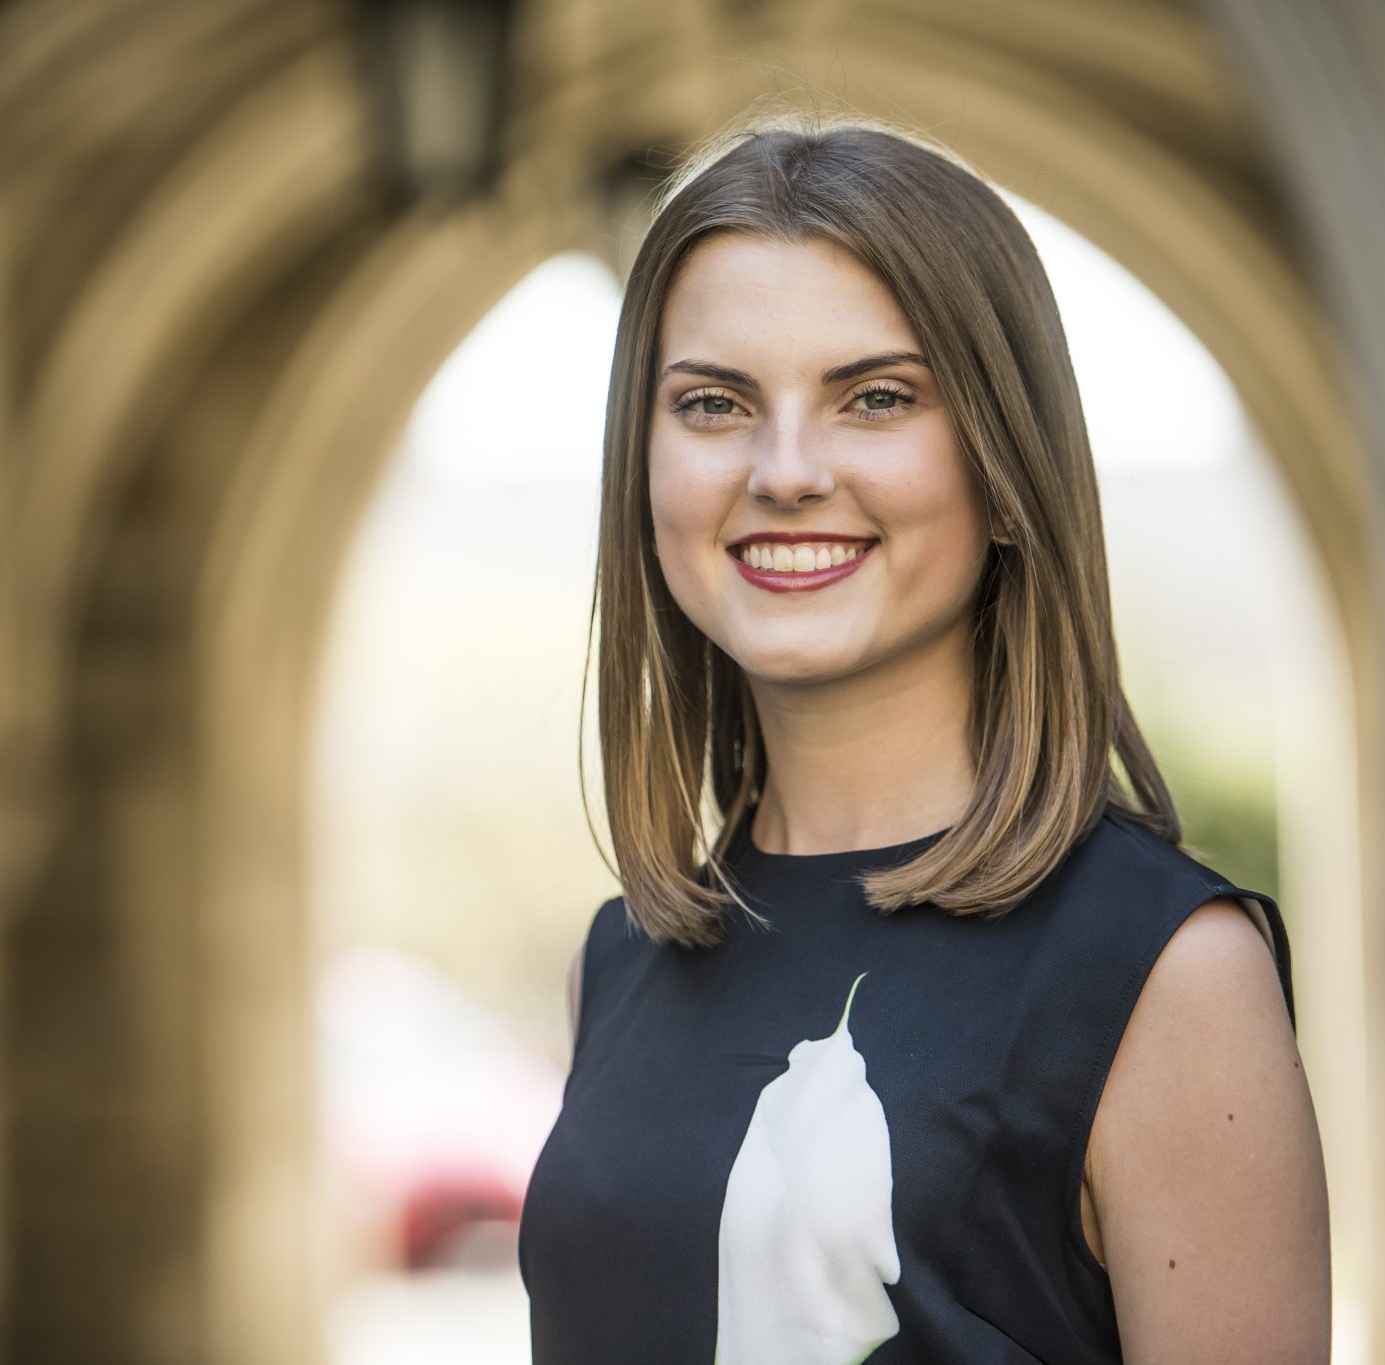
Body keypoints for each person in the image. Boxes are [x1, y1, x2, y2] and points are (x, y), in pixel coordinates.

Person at [515, 111, 1331, 1364]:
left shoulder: (1164, 981)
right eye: (716, 403)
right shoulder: (617, 958)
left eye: (875, 397)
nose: (784, 471)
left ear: (1005, 466)